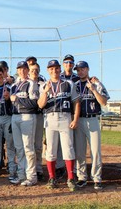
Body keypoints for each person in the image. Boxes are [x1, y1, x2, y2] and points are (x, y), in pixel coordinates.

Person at [38, 59, 80, 192]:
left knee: (68, 148)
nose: (54, 70)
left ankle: (71, 178)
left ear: (59, 69)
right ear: (48, 70)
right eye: (51, 68)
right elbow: (40, 105)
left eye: (56, 68)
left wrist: (75, 119)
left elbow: (76, 102)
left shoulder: (68, 84)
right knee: (50, 150)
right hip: (50, 118)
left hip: (65, 117)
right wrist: (45, 91)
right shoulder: (44, 85)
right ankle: (52, 177)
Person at [73, 61, 110, 190]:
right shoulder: (75, 85)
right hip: (80, 120)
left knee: (95, 151)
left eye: (82, 69)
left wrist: (94, 89)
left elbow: (104, 102)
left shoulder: (96, 83)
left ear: (87, 69)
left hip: (93, 120)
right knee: (80, 152)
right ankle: (82, 177)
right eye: (78, 70)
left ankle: (96, 178)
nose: (80, 71)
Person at [9, 61, 39, 186]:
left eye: (24, 69)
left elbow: (34, 104)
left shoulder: (31, 83)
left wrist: (18, 99)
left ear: (27, 70)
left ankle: (32, 176)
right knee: (19, 148)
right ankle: (21, 175)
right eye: (19, 69)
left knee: (28, 147)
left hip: (27, 116)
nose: (21, 71)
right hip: (15, 116)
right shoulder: (13, 86)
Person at [26, 56, 46, 181]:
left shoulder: (43, 83)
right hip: (28, 116)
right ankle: (28, 168)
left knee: (38, 145)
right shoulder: (24, 82)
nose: (35, 72)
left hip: (39, 115)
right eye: (32, 70)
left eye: (36, 70)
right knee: (28, 145)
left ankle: (38, 168)